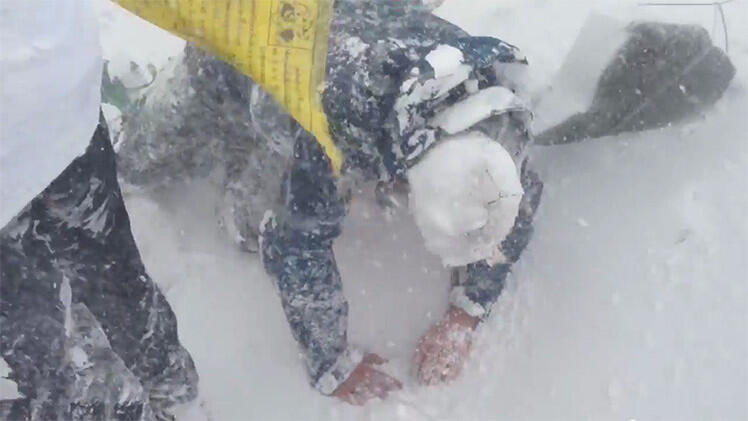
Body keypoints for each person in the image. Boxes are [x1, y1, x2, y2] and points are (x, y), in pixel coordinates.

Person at [112, 0, 543, 406]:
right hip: (245, 34)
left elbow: (510, 206)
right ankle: (149, 111)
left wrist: (466, 313)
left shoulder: (495, 113)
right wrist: (332, 365)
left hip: (344, 35)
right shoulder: (338, 118)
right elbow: (295, 247)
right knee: (163, 171)